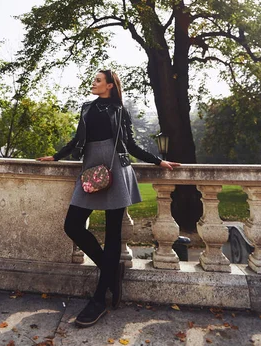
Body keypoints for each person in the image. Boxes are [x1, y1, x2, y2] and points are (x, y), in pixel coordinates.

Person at [37, 69, 180, 327]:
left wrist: (159, 160)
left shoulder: (120, 111)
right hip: (91, 168)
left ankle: (99, 299)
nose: (93, 83)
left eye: (98, 80)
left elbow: (131, 145)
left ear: (111, 85)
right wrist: (57, 156)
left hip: (116, 168)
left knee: (113, 235)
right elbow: (78, 139)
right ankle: (111, 271)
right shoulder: (87, 108)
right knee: (72, 225)